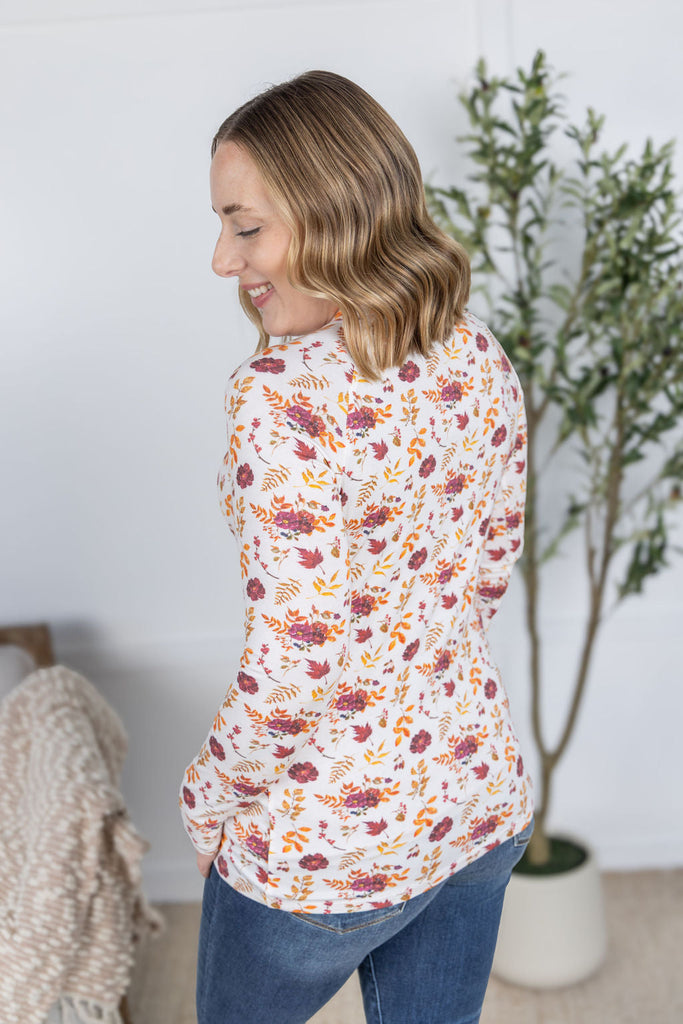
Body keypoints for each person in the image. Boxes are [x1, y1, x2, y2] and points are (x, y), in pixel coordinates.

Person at [179, 69, 534, 1024]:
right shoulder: (472, 347)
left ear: (332, 213)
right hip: (473, 802)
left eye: (246, 227)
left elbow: (294, 666)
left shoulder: (279, 402)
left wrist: (206, 798)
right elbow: (488, 570)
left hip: (324, 851)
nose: (222, 259)